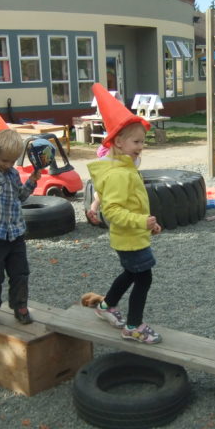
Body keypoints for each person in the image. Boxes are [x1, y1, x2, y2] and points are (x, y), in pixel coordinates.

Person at [87, 83, 162, 344]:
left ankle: (106, 307)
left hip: (132, 235)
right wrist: (141, 221)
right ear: (118, 141)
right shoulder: (119, 174)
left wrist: (148, 224)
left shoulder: (126, 167)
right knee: (143, 278)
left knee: (131, 273)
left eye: (143, 141)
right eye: (136, 141)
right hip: (128, 237)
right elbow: (114, 211)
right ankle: (133, 326)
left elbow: (133, 204)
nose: (141, 146)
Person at [0, 126, 41, 327]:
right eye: (4, 160)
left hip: (15, 234)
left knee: (20, 273)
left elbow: (19, 197)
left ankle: (20, 306)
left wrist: (31, 182)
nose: (8, 165)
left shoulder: (12, 174)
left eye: (12, 161)